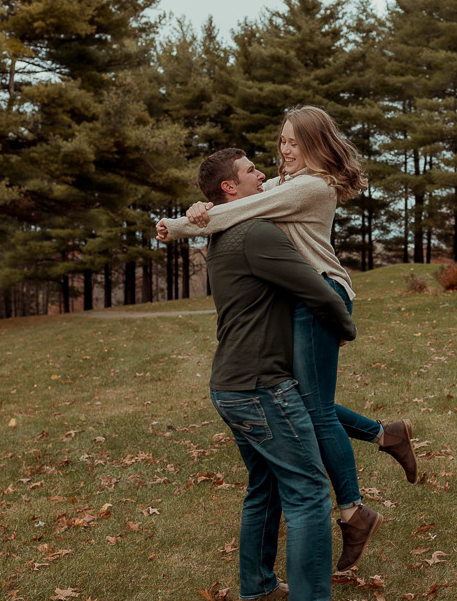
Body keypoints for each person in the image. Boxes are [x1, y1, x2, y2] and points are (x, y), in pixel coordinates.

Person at [157, 107, 417, 571]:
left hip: (321, 293)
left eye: (294, 142)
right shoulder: (287, 184)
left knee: (312, 408)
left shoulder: (311, 187)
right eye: (281, 141)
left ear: (315, 144)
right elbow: (234, 204)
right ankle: (386, 434)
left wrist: (177, 226)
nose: (284, 150)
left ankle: (354, 511)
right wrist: (201, 208)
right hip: (302, 295)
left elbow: (245, 206)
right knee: (298, 401)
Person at [195, 147, 376, 601]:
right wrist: (345, 327)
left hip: (229, 385)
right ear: (231, 188)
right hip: (259, 387)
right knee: (309, 492)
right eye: (251, 170)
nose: (263, 173)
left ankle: (257, 586)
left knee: (265, 486)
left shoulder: (222, 233)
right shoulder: (257, 233)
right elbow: (316, 290)